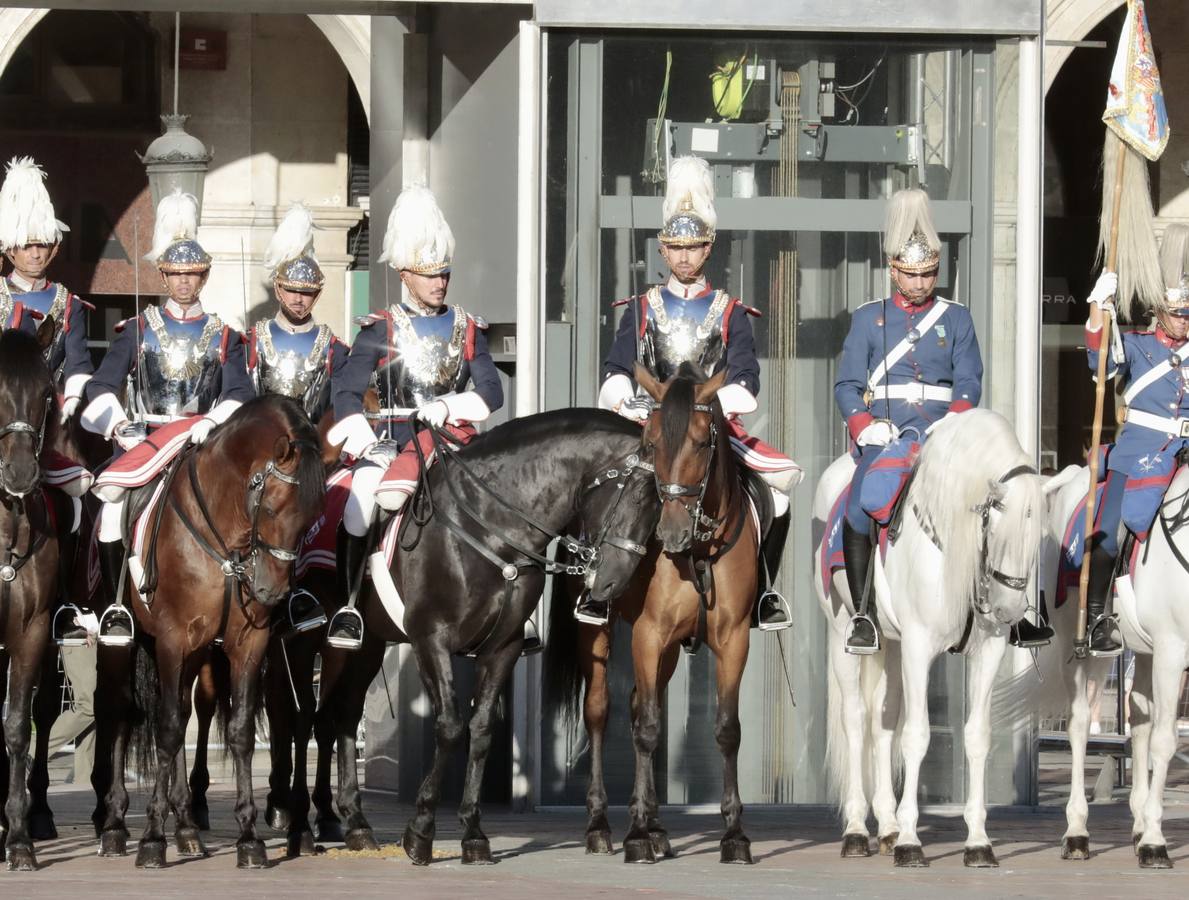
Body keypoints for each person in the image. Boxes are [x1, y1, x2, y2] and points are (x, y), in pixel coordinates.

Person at [834, 187, 1053, 654]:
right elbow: (848, 385)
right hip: (888, 435)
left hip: (947, 435)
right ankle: (862, 613)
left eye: (928, 274)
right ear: (894, 270)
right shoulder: (868, 319)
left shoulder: (956, 319)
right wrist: (863, 425)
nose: (919, 284)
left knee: (1006, 503)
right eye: (911, 275)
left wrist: (950, 427)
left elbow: (969, 384)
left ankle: (1015, 611)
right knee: (858, 505)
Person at [595, 155, 803, 630]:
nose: (684, 257)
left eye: (693, 248)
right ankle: (600, 587)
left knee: (779, 496)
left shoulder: (730, 312)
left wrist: (709, 408)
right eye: (675, 248)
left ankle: (765, 590)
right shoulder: (641, 308)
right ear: (663, 251)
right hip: (650, 426)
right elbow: (615, 369)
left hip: (708, 429)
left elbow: (746, 380)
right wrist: (626, 399)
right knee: (609, 493)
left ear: (708, 248)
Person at [325, 185, 509, 651]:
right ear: (406, 275)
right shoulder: (380, 327)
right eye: (430, 275)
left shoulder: (468, 327)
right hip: (391, 439)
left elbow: (491, 391)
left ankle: (508, 607)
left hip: (453, 438)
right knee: (358, 500)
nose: (439, 283)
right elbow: (346, 392)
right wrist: (366, 443)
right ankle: (347, 605)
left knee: (503, 499)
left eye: (444, 274)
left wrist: (449, 405)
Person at [79, 189, 254, 646]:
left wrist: (213, 422)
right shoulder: (138, 329)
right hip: (148, 443)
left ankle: (244, 605)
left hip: (202, 445)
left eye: (192, 274)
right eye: (176, 274)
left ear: (204, 276)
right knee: (112, 507)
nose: (183, 282)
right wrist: (119, 424)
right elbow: (99, 387)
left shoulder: (225, 335)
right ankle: (117, 602)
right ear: (162, 274)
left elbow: (241, 393)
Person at [0, 156, 96, 647]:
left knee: (80, 499)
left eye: (42, 244)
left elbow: (78, 361)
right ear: (9, 246)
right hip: (1, 427)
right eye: (25, 244)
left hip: (49, 427)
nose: (34, 252)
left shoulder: (67, 304)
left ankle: (66, 603)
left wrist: (74, 395)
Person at [1080, 225, 1189, 657]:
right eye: (1178, 313)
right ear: (1160, 310)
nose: (1184, 321)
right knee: (1109, 530)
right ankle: (1098, 618)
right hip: (1140, 453)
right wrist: (1096, 310)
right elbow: (1101, 365)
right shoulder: (1139, 347)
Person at [245, 202, 349, 635]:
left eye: (306, 293)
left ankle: (331, 600)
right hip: (259, 456)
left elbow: (337, 406)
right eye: (290, 290)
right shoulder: (250, 340)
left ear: (317, 295)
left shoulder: (334, 347)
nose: (298, 299)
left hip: (309, 458)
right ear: (277, 287)